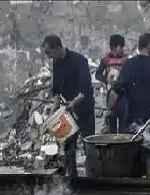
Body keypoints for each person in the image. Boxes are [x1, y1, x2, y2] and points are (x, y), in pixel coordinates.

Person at [43, 35, 95, 177]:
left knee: (89, 145)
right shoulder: (56, 62)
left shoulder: (79, 60)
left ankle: (92, 178)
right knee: (68, 148)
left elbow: (86, 89)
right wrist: (55, 108)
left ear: (57, 48)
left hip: (84, 109)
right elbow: (56, 90)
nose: (48, 56)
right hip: (67, 110)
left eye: (49, 52)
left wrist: (74, 102)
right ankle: (72, 179)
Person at [95, 34, 126, 134]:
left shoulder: (125, 60)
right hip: (110, 94)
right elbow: (98, 74)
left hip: (123, 95)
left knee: (123, 121)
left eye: (123, 47)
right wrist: (107, 80)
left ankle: (122, 140)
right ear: (113, 47)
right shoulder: (105, 60)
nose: (123, 49)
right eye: (121, 47)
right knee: (111, 120)